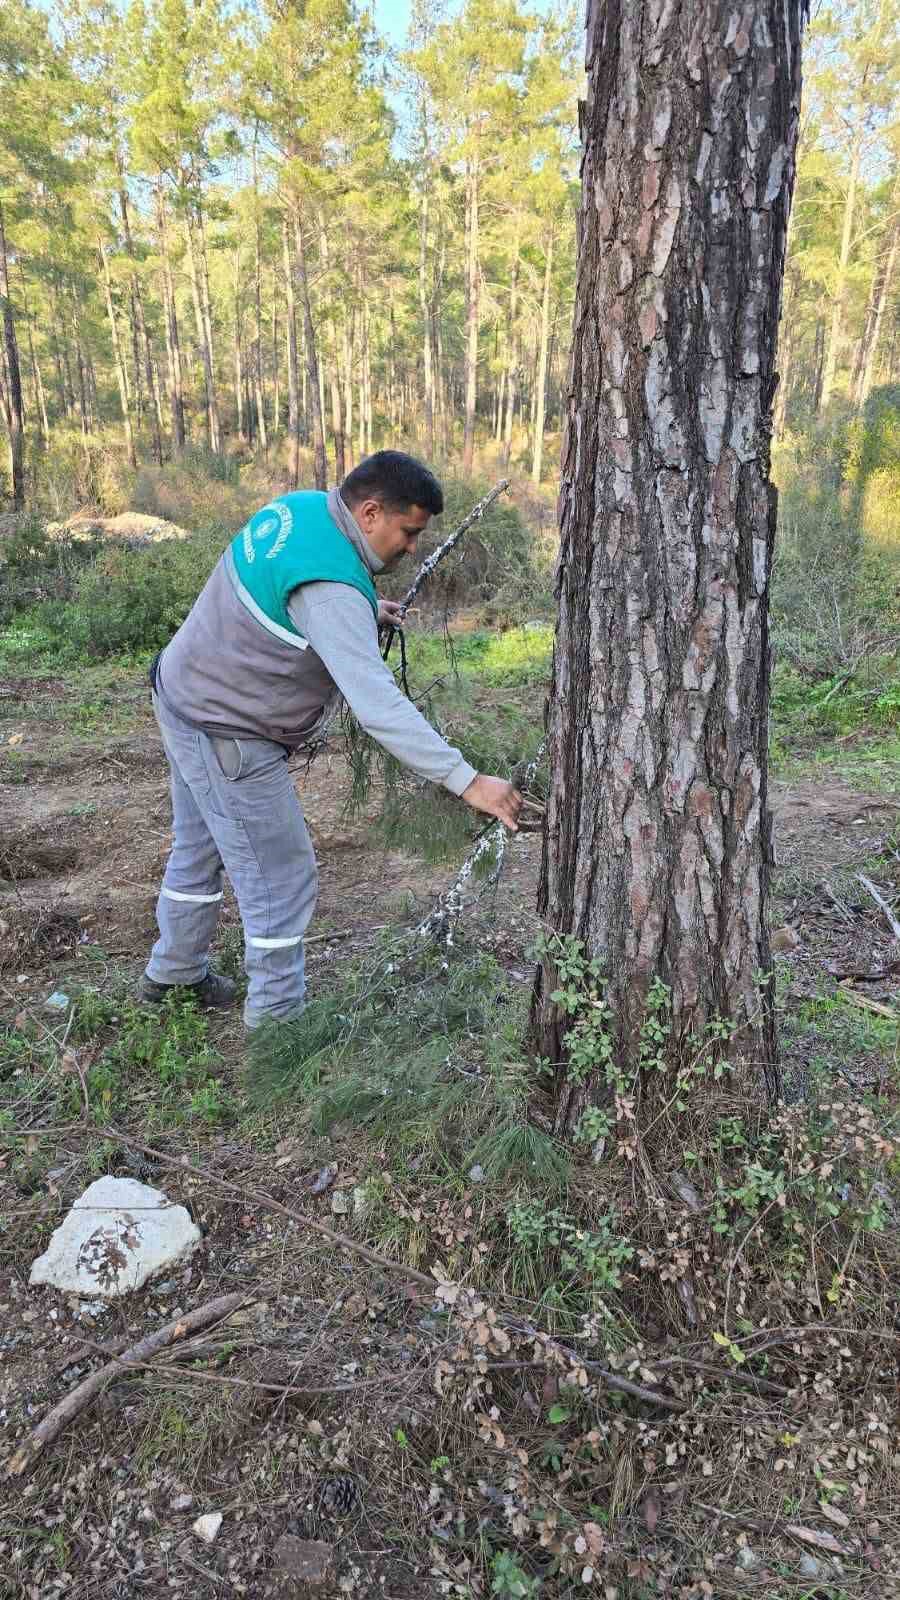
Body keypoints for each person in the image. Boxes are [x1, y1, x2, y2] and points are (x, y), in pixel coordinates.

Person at [140, 450, 523, 1029]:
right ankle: (277, 1027)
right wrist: (468, 782)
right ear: (370, 512)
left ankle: (174, 975)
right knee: (280, 879)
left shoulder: (303, 510)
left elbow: (298, 596)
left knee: (198, 849)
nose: (413, 546)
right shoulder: (332, 592)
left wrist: (364, 606)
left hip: (182, 694)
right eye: (409, 531)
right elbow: (377, 706)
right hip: (228, 732)